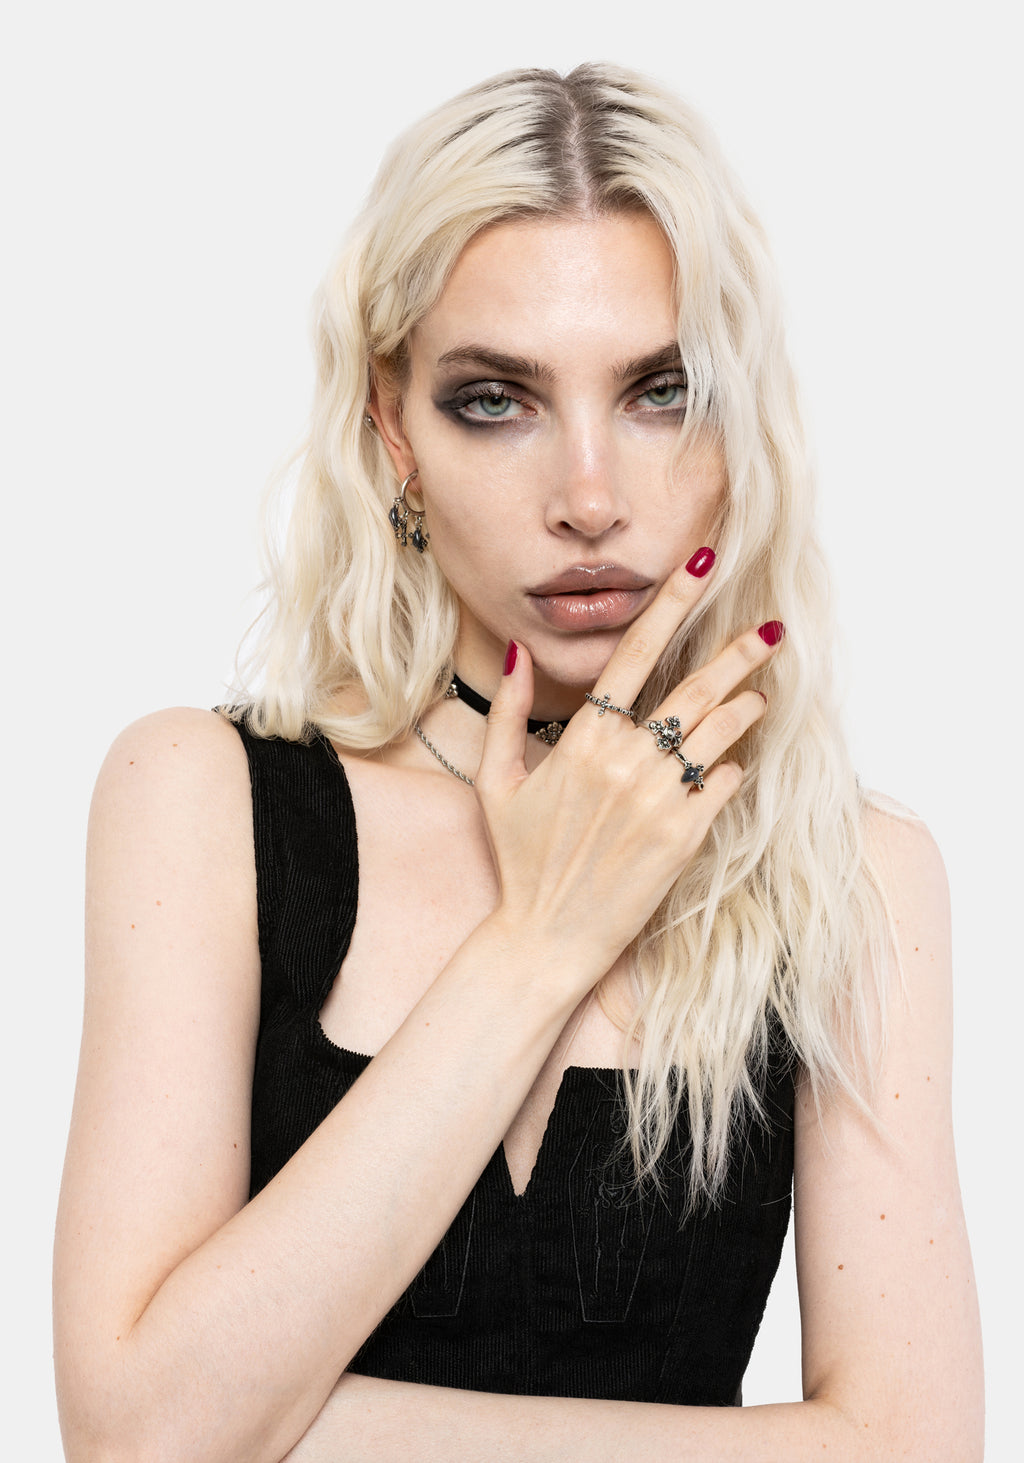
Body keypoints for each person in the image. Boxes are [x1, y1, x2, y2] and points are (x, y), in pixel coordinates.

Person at [53, 64, 983, 1462]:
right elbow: (134, 1443)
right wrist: (541, 938)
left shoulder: (852, 874)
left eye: (663, 392)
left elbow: (913, 1447)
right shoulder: (200, 799)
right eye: (497, 400)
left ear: (738, 425)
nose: (590, 498)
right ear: (394, 430)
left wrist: (281, 1429)